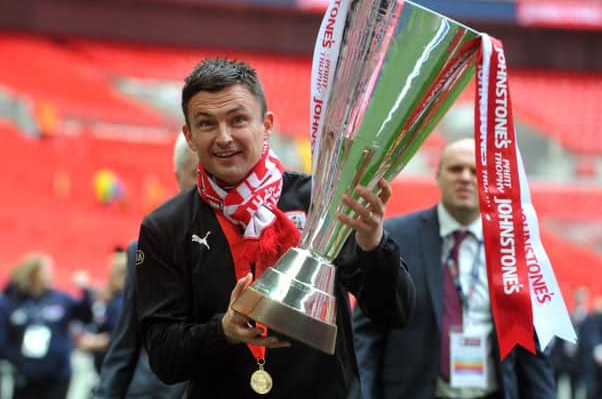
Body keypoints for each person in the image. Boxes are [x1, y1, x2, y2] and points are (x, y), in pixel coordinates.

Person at [134, 58, 415, 398]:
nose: (224, 137)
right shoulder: (165, 227)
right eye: (207, 124)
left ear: (266, 125)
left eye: (238, 120)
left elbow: (393, 312)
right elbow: (163, 358)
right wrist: (223, 331)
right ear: (189, 136)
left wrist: (373, 243)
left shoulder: (321, 199)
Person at [352, 138, 556, 399]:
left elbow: (531, 346)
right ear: (438, 176)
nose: (465, 177)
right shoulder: (395, 238)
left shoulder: (513, 246)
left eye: (475, 171)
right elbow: (368, 332)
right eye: (456, 169)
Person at [92, 133, 195, 399]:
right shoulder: (142, 250)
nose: (207, 184)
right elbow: (125, 343)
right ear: (177, 177)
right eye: (197, 174)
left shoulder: (249, 245)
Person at [0, 253, 93, 399]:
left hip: (57, 375)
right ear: (32, 274)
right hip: (25, 375)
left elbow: (85, 316)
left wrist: (86, 291)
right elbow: (3, 338)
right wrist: (18, 362)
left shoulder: (61, 298)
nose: (49, 276)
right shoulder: (12, 301)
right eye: (45, 272)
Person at [77, 250, 127, 374]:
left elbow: (119, 336)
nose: (109, 275)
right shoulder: (116, 299)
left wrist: (92, 342)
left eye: (113, 271)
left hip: (116, 368)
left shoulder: (121, 302)